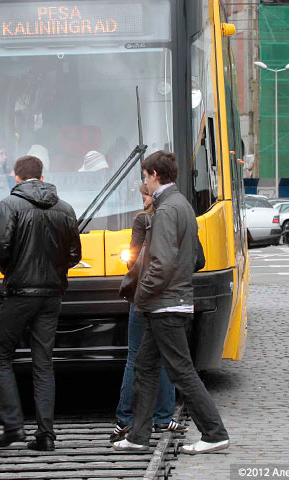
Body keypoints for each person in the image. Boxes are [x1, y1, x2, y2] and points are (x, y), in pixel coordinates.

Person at [113, 151, 230, 456]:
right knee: (146, 367)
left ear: (153, 175)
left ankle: (214, 432)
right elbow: (191, 258)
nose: (144, 182)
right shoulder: (182, 206)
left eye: (144, 176)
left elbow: (161, 263)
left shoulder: (166, 211)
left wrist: (142, 294)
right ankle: (138, 436)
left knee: (180, 370)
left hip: (164, 303)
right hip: (168, 302)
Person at [0, 155, 81, 452]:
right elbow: (75, 255)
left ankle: (13, 426)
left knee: (0, 355)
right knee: (44, 363)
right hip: (52, 294)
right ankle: (46, 435)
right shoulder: (65, 208)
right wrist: (55, 273)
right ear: (42, 176)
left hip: (18, 293)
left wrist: (8, 270)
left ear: (16, 177)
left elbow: (0, 246)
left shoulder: (9, 205)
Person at [111, 183, 186, 443]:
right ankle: (163, 418)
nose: (143, 199)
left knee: (136, 357)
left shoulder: (144, 220)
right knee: (162, 358)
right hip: (167, 296)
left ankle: (125, 420)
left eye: (144, 194)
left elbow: (132, 259)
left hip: (142, 296)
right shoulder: (174, 214)